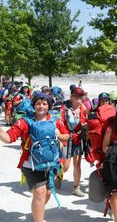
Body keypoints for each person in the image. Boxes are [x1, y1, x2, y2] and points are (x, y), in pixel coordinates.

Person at [0, 93, 69, 222]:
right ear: (34, 105)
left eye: (44, 103)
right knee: (40, 193)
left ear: (49, 106)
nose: (41, 106)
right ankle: (38, 219)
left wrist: (59, 135)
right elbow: (8, 138)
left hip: (51, 163)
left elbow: (67, 136)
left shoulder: (56, 121)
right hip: (30, 164)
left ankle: (37, 211)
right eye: (38, 103)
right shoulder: (25, 122)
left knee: (46, 194)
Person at [59, 87, 89, 196]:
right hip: (67, 138)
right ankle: (59, 174)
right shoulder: (65, 108)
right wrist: (62, 137)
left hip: (78, 139)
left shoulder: (84, 110)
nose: (79, 98)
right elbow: (60, 122)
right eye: (76, 96)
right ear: (71, 96)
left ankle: (76, 188)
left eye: (81, 96)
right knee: (66, 166)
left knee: (77, 164)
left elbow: (87, 122)